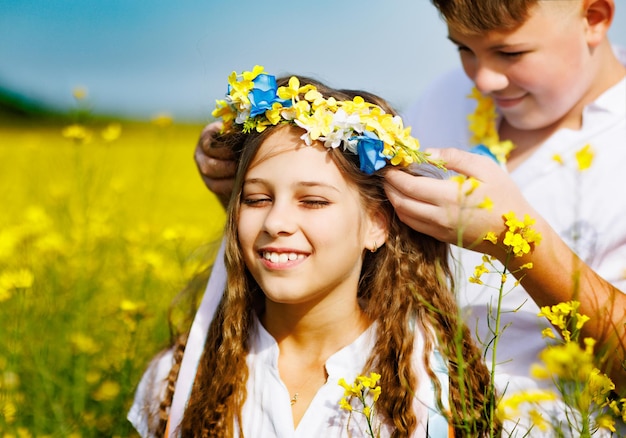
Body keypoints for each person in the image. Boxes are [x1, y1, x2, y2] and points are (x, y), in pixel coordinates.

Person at [194, 0, 626, 395]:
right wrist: (248, 191)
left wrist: (518, 242)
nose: (485, 78)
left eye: (511, 53)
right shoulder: (447, 96)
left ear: (595, 18)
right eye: (463, 49)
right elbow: (355, 243)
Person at [129, 70, 496, 437]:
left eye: (314, 201)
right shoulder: (180, 381)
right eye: (257, 199)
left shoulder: (432, 390)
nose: (276, 221)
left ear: (377, 225)